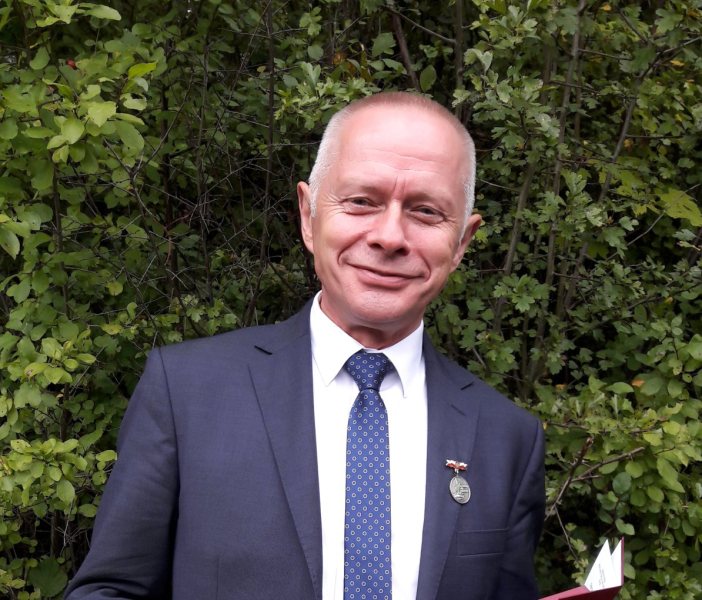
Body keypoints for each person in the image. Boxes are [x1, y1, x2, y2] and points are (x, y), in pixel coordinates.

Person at [65, 92, 544, 600]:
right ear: (307, 214)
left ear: (462, 242)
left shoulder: (507, 439)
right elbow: (109, 591)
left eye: (425, 212)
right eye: (362, 201)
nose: (389, 236)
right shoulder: (187, 392)